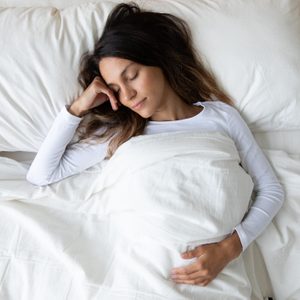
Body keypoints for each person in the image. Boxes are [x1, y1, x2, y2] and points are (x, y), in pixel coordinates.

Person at [26, 2, 284, 288]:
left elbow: (270, 189)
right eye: (115, 89)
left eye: (131, 75)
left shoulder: (221, 116)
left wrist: (231, 247)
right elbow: (41, 175)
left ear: (158, 60)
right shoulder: (122, 133)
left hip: (213, 275)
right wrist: (77, 108)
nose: (127, 94)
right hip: (144, 276)